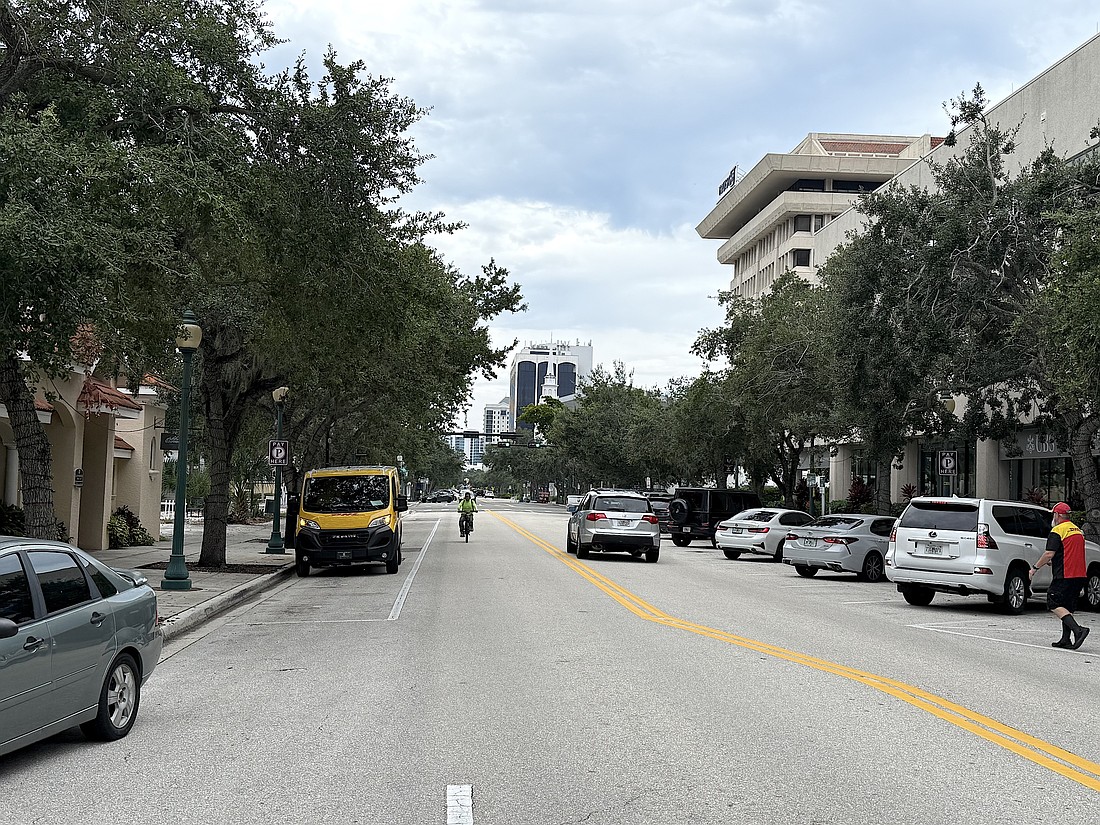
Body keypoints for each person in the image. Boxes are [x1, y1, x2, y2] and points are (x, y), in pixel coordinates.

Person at [1031, 502, 1089, 650]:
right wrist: (1054, 561)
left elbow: (1049, 553)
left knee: (1054, 602)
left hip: (1065, 574)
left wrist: (1034, 568)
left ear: (1057, 515)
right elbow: (1068, 552)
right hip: (1080, 574)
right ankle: (1065, 639)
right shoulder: (1077, 530)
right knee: (1067, 606)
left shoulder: (1058, 530)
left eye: (1053, 514)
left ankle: (1078, 630)